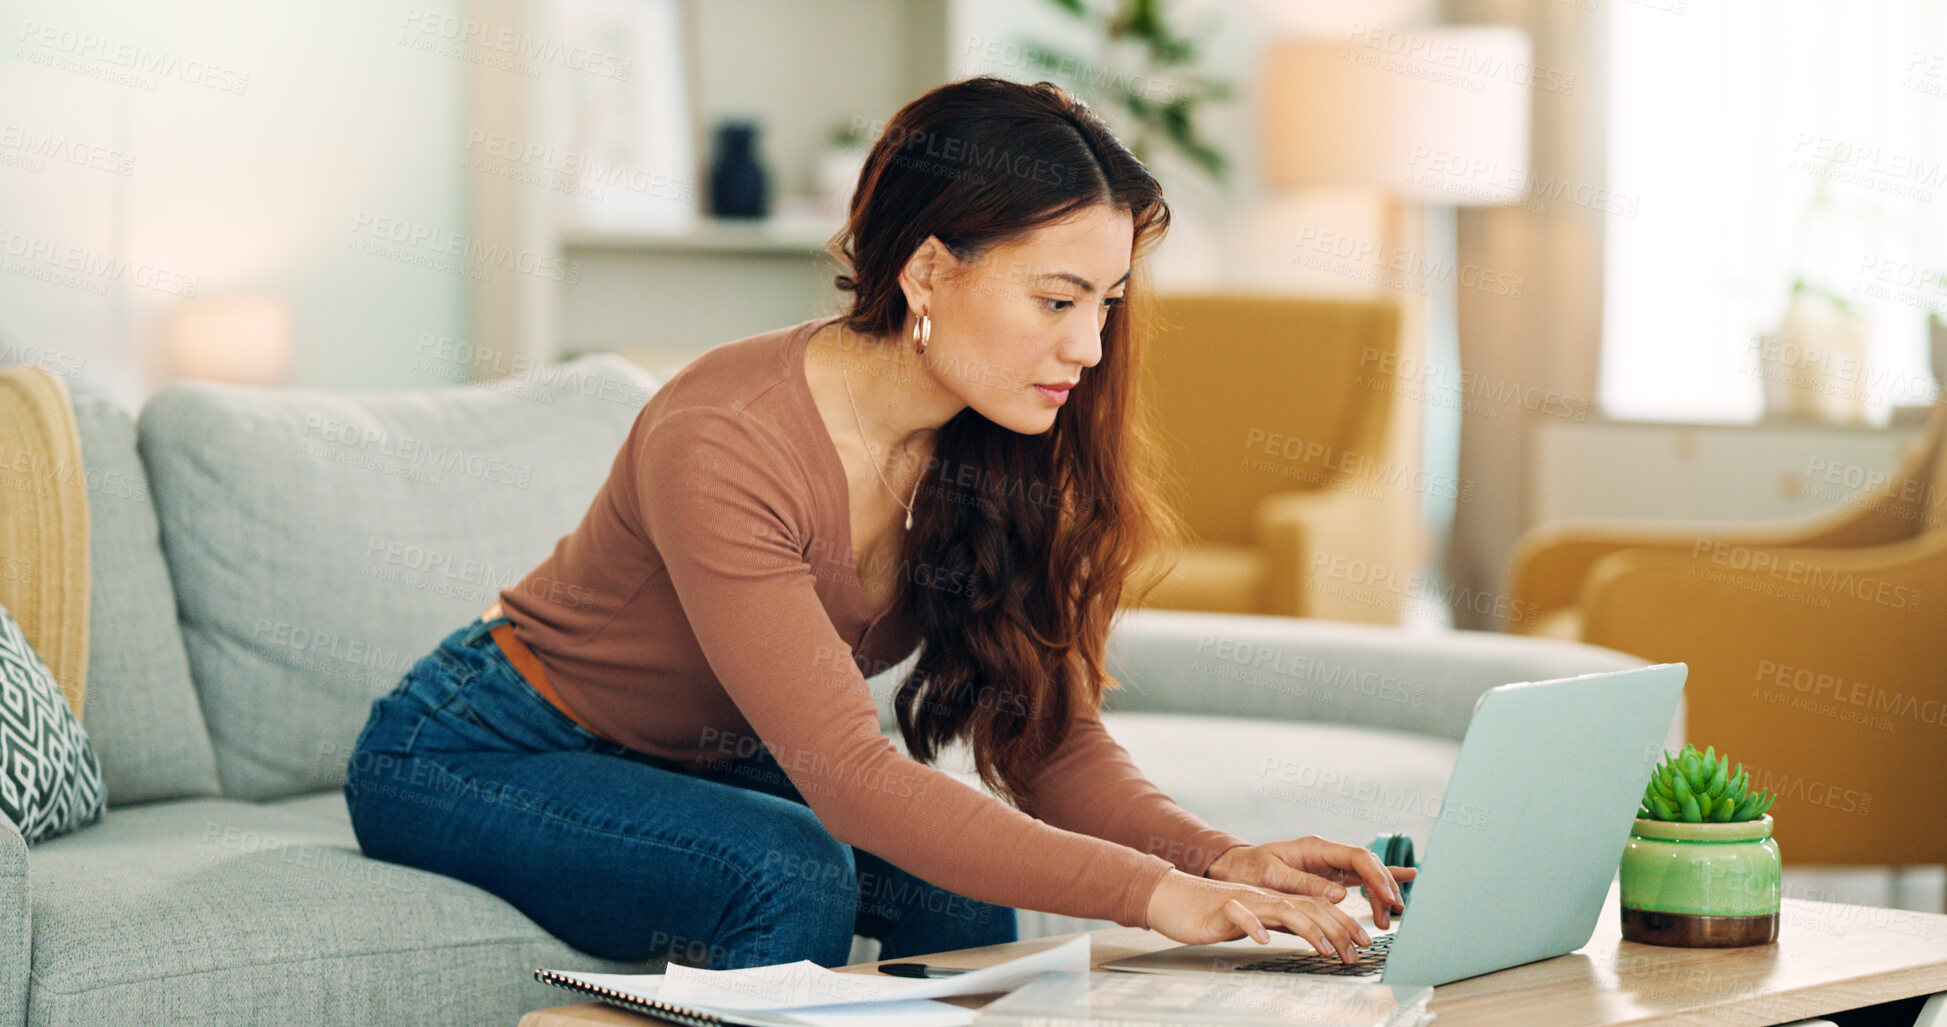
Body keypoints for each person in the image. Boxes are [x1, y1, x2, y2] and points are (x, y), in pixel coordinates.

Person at [343, 74, 1414, 972]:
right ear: (928, 270)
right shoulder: (723, 434)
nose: (1089, 347)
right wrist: (1153, 895)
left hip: (700, 759)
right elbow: (850, 780)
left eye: (1108, 302)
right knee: (789, 863)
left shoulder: (993, 439)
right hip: (479, 745)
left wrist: (1218, 860)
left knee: (955, 897)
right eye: (1056, 300)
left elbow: (1045, 736)